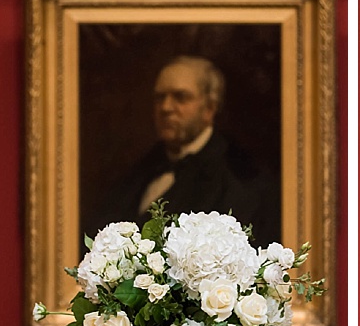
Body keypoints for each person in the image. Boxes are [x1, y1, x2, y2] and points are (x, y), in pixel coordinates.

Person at [85, 55, 280, 248]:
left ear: (209, 109)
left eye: (180, 97)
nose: (166, 107)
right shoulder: (141, 169)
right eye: (159, 98)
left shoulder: (241, 179)